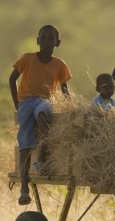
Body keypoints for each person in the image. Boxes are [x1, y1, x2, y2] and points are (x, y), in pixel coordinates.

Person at [9, 24, 72, 205]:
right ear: (37, 40)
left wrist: (68, 110)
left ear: (57, 43)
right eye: (43, 38)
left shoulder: (60, 65)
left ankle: (42, 160)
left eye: (50, 38)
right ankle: (23, 189)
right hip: (26, 102)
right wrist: (17, 104)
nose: (46, 41)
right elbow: (12, 79)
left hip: (45, 101)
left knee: (44, 113)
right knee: (25, 142)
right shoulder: (28, 59)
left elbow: (65, 90)